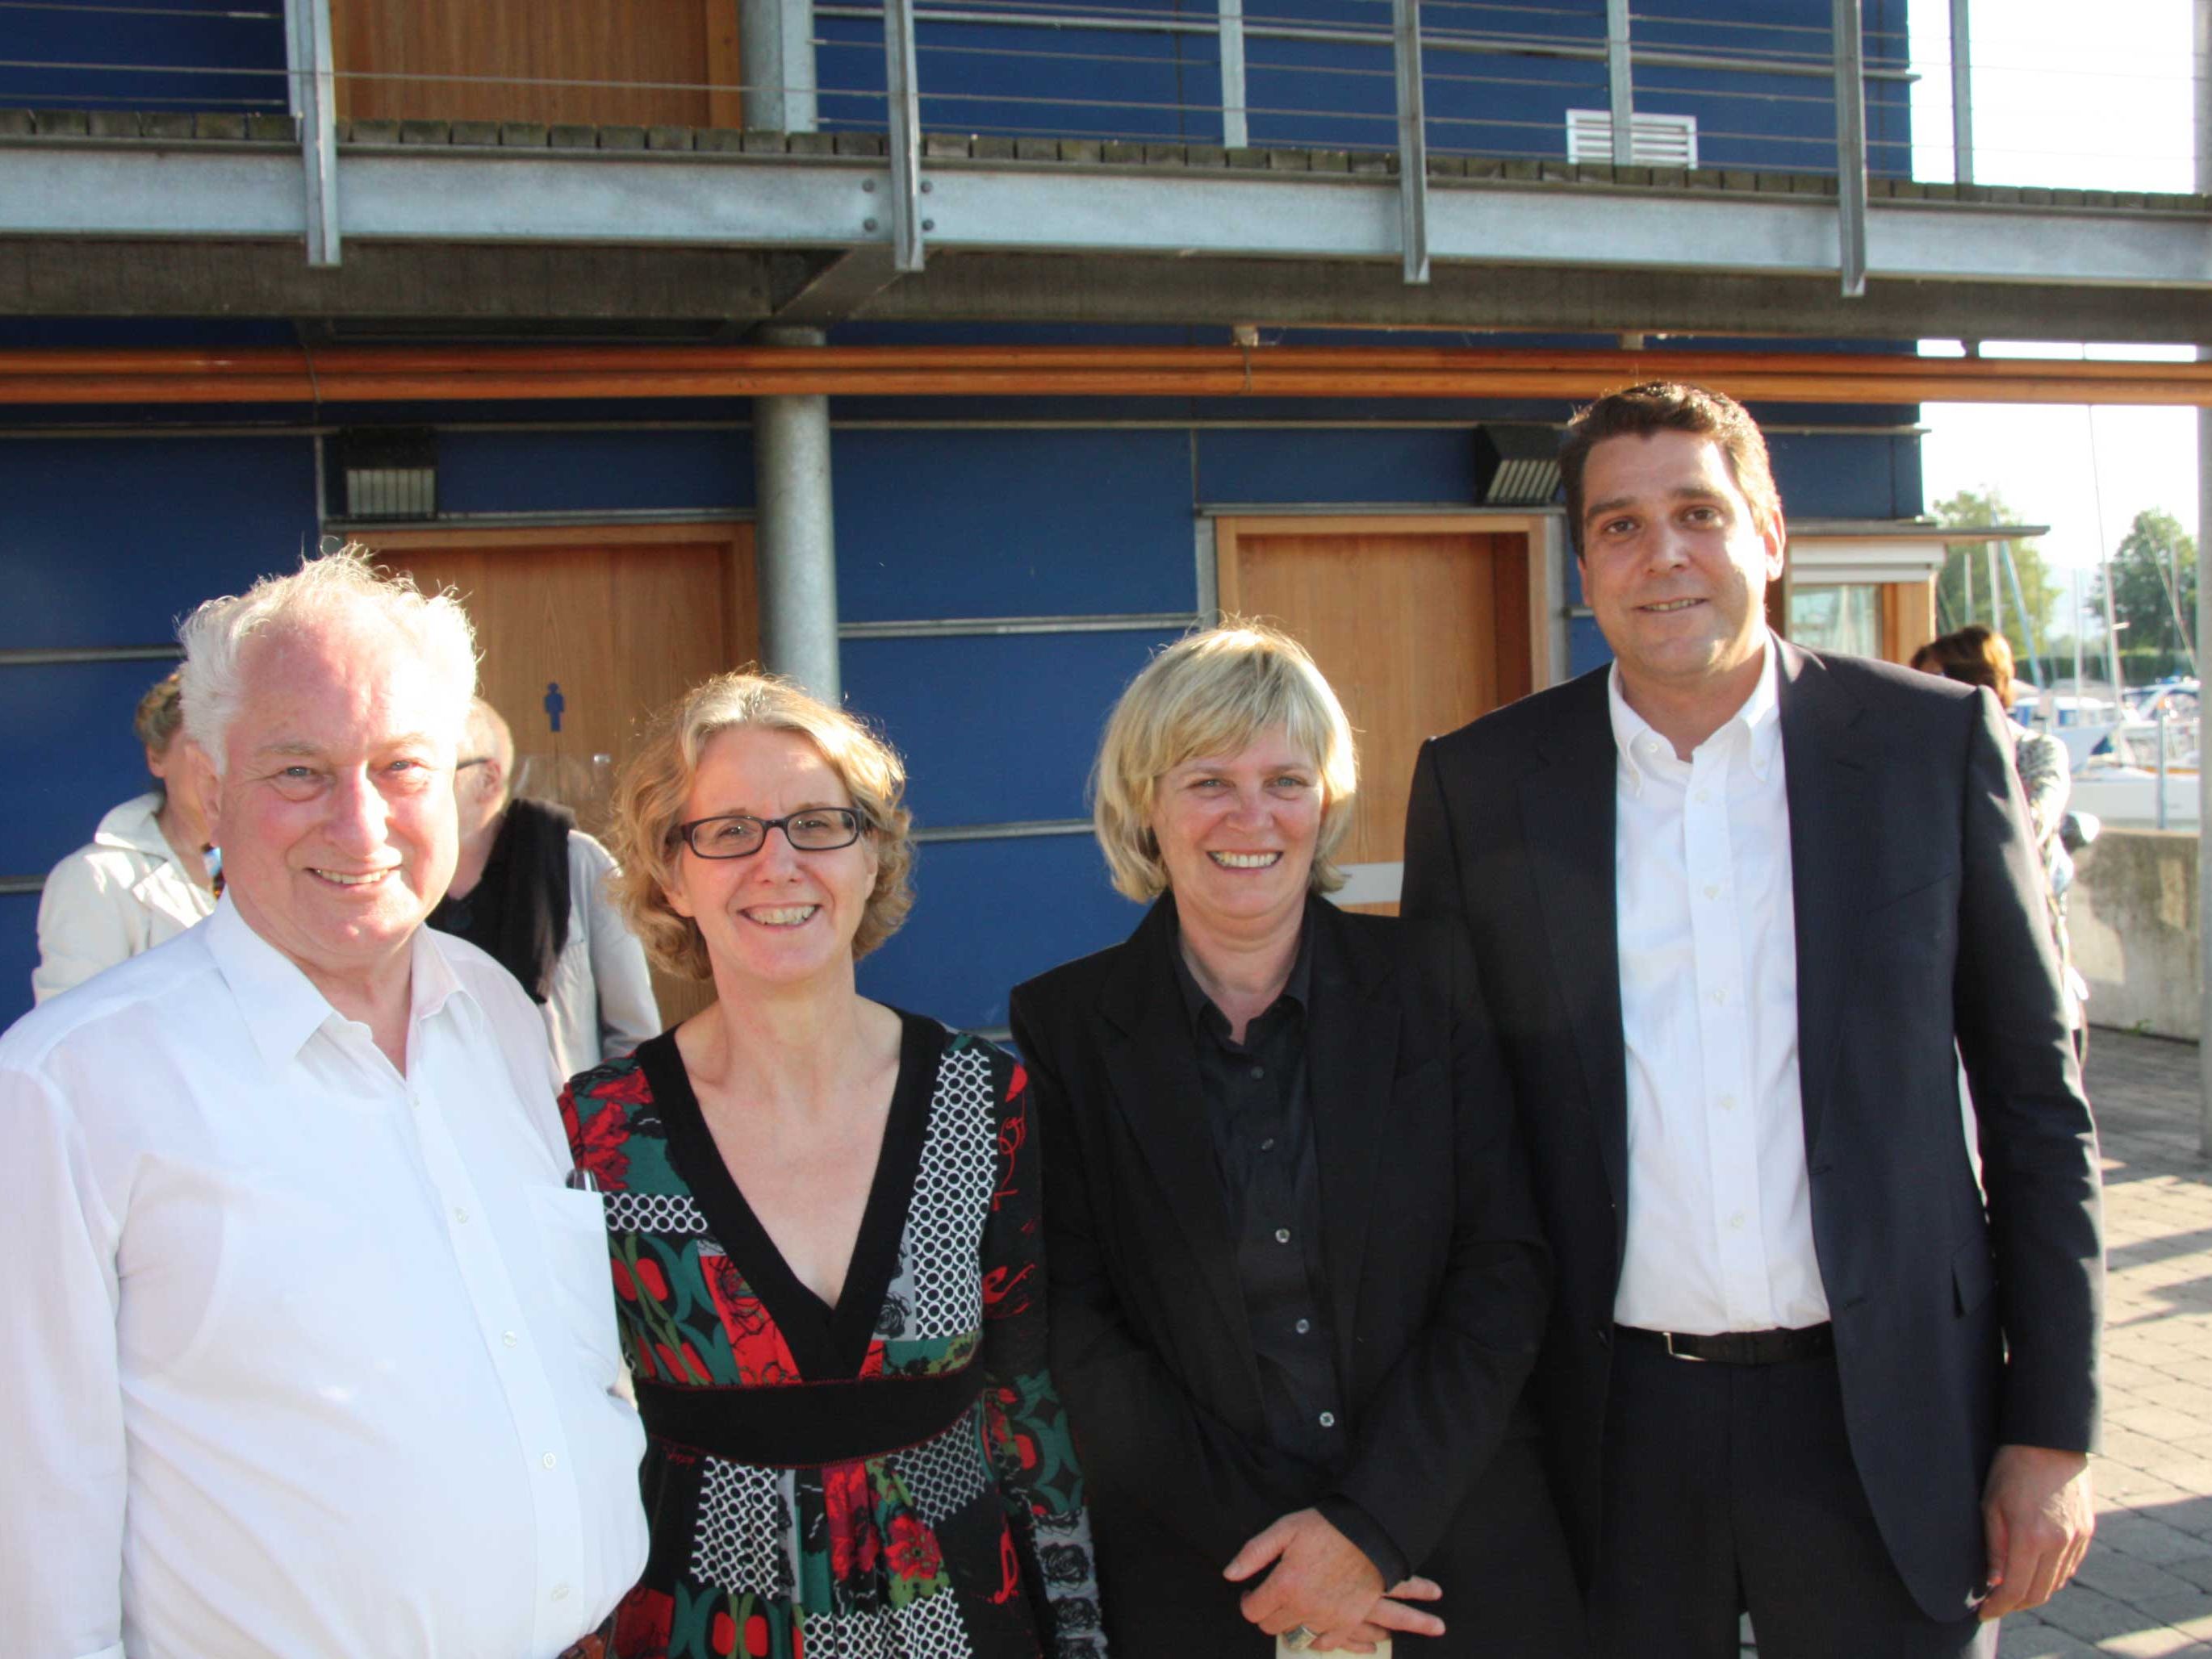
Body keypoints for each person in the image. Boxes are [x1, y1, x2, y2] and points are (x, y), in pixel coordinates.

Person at [1402, 382, 2103, 1658]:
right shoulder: (1480, 784)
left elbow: (2035, 1102)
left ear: (1770, 535)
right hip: (1603, 1437)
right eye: (1619, 525)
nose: (1661, 554)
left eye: (1698, 513)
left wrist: (2052, 1431)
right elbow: (1449, 1141)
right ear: (1583, 568)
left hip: (1890, 1422)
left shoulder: (1932, 747)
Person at [0, 549, 648, 1658]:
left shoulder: (493, 1012)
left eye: (402, 767)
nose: (360, 824)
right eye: (300, 771)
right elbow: (34, 1536)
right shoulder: (67, 1091)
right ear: (210, 787)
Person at [1009, 624, 1582, 1657]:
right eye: (1208, 782)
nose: (1251, 816)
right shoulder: (1063, 1028)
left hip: (1450, 1554)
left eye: (1284, 780)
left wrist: (1370, 1526)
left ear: (1325, 801)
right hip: (1211, 1579)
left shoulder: (1438, 984)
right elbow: (1075, 1327)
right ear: (1145, 803)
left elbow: (1502, 1270)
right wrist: (1291, 1559)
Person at [564, 671, 1103, 1659]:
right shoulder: (602, 1132)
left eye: (817, 824)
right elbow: (565, 1418)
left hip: (960, 1616)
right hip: (700, 1622)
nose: (778, 863)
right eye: (728, 830)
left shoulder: (980, 1101)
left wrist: (1077, 1632)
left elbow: (1025, 1399)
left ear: (871, 855)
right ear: (672, 876)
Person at [430, 696, 659, 1076]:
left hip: (557, 1109)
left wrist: (596, 1111)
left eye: (433, 772)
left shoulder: (576, 862)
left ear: (488, 780)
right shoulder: (394, 880)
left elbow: (634, 1034)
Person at [1913, 625, 2087, 1051]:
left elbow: (2025, 828)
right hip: (1933, 973)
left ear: (1977, 683)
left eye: (1933, 680)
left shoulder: (2036, 751)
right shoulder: (1913, 758)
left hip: (2026, 966)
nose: (1918, 694)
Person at [33, 670, 219, 1002]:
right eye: (201, 749)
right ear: (156, 757)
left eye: (235, 749)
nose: (218, 768)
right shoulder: (95, 877)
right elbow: (74, 1022)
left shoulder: (290, 863)